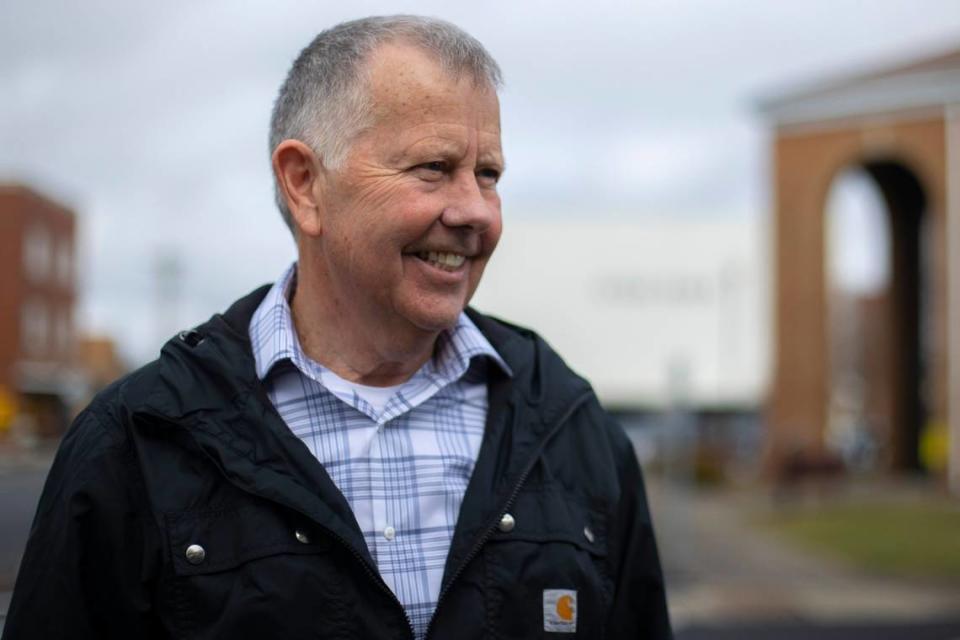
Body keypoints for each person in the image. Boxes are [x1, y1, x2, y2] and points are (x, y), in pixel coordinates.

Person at [2, 15, 671, 640]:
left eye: (488, 174)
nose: (476, 212)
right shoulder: (139, 442)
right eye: (434, 168)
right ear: (305, 185)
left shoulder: (569, 424)